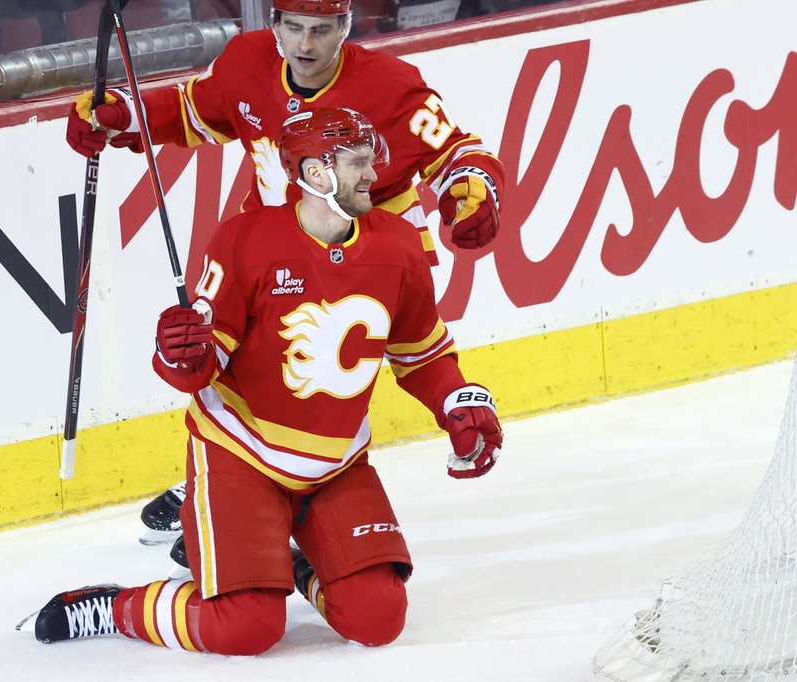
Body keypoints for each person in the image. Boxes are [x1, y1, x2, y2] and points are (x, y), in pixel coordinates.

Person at [30, 107, 503, 654]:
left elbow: (421, 353)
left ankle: (296, 563)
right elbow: (200, 370)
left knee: (377, 620)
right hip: (242, 459)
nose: (373, 175)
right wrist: (181, 353)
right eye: (357, 164)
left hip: (337, 465)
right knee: (246, 627)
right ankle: (115, 606)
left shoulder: (398, 245)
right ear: (316, 174)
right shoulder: (247, 240)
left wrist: (458, 403)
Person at [65, 0, 505, 549]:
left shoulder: (391, 85)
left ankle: (287, 500)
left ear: (345, 27)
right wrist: (123, 116)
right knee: (247, 361)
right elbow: (191, 110)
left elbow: (456, 151)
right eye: (293, 28)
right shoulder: (248, 61)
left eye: (321, 30)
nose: (305, 45)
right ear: (273, 24)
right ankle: (233, 474)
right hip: (272, 242)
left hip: (364, 248)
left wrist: (472, 189)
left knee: (326, 367)